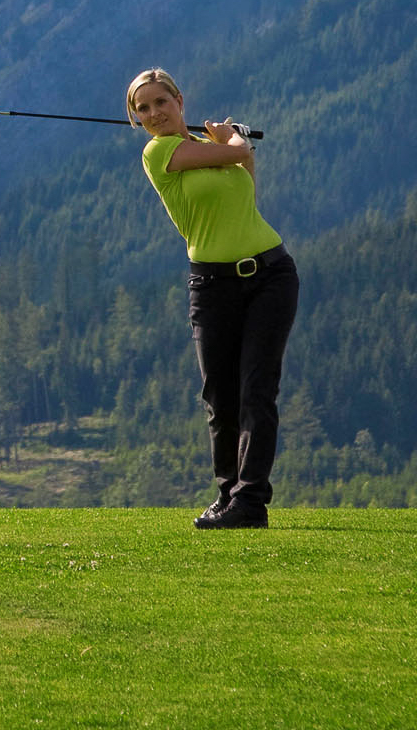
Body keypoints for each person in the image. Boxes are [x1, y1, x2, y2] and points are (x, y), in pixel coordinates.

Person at [126, 68, 297, 529]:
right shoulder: (158, 151)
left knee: (257, 392)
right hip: (212, 285)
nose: (154, 114)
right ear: (137, 120)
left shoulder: (208, 151)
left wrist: (235, 147)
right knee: (220, 397)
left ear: (180, 100)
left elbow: (246, 184)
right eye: (143, 109)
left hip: (271, 274)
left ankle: (250, 502)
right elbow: (238, 153)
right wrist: (236, 139)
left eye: (161, 102)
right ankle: (228, 495)